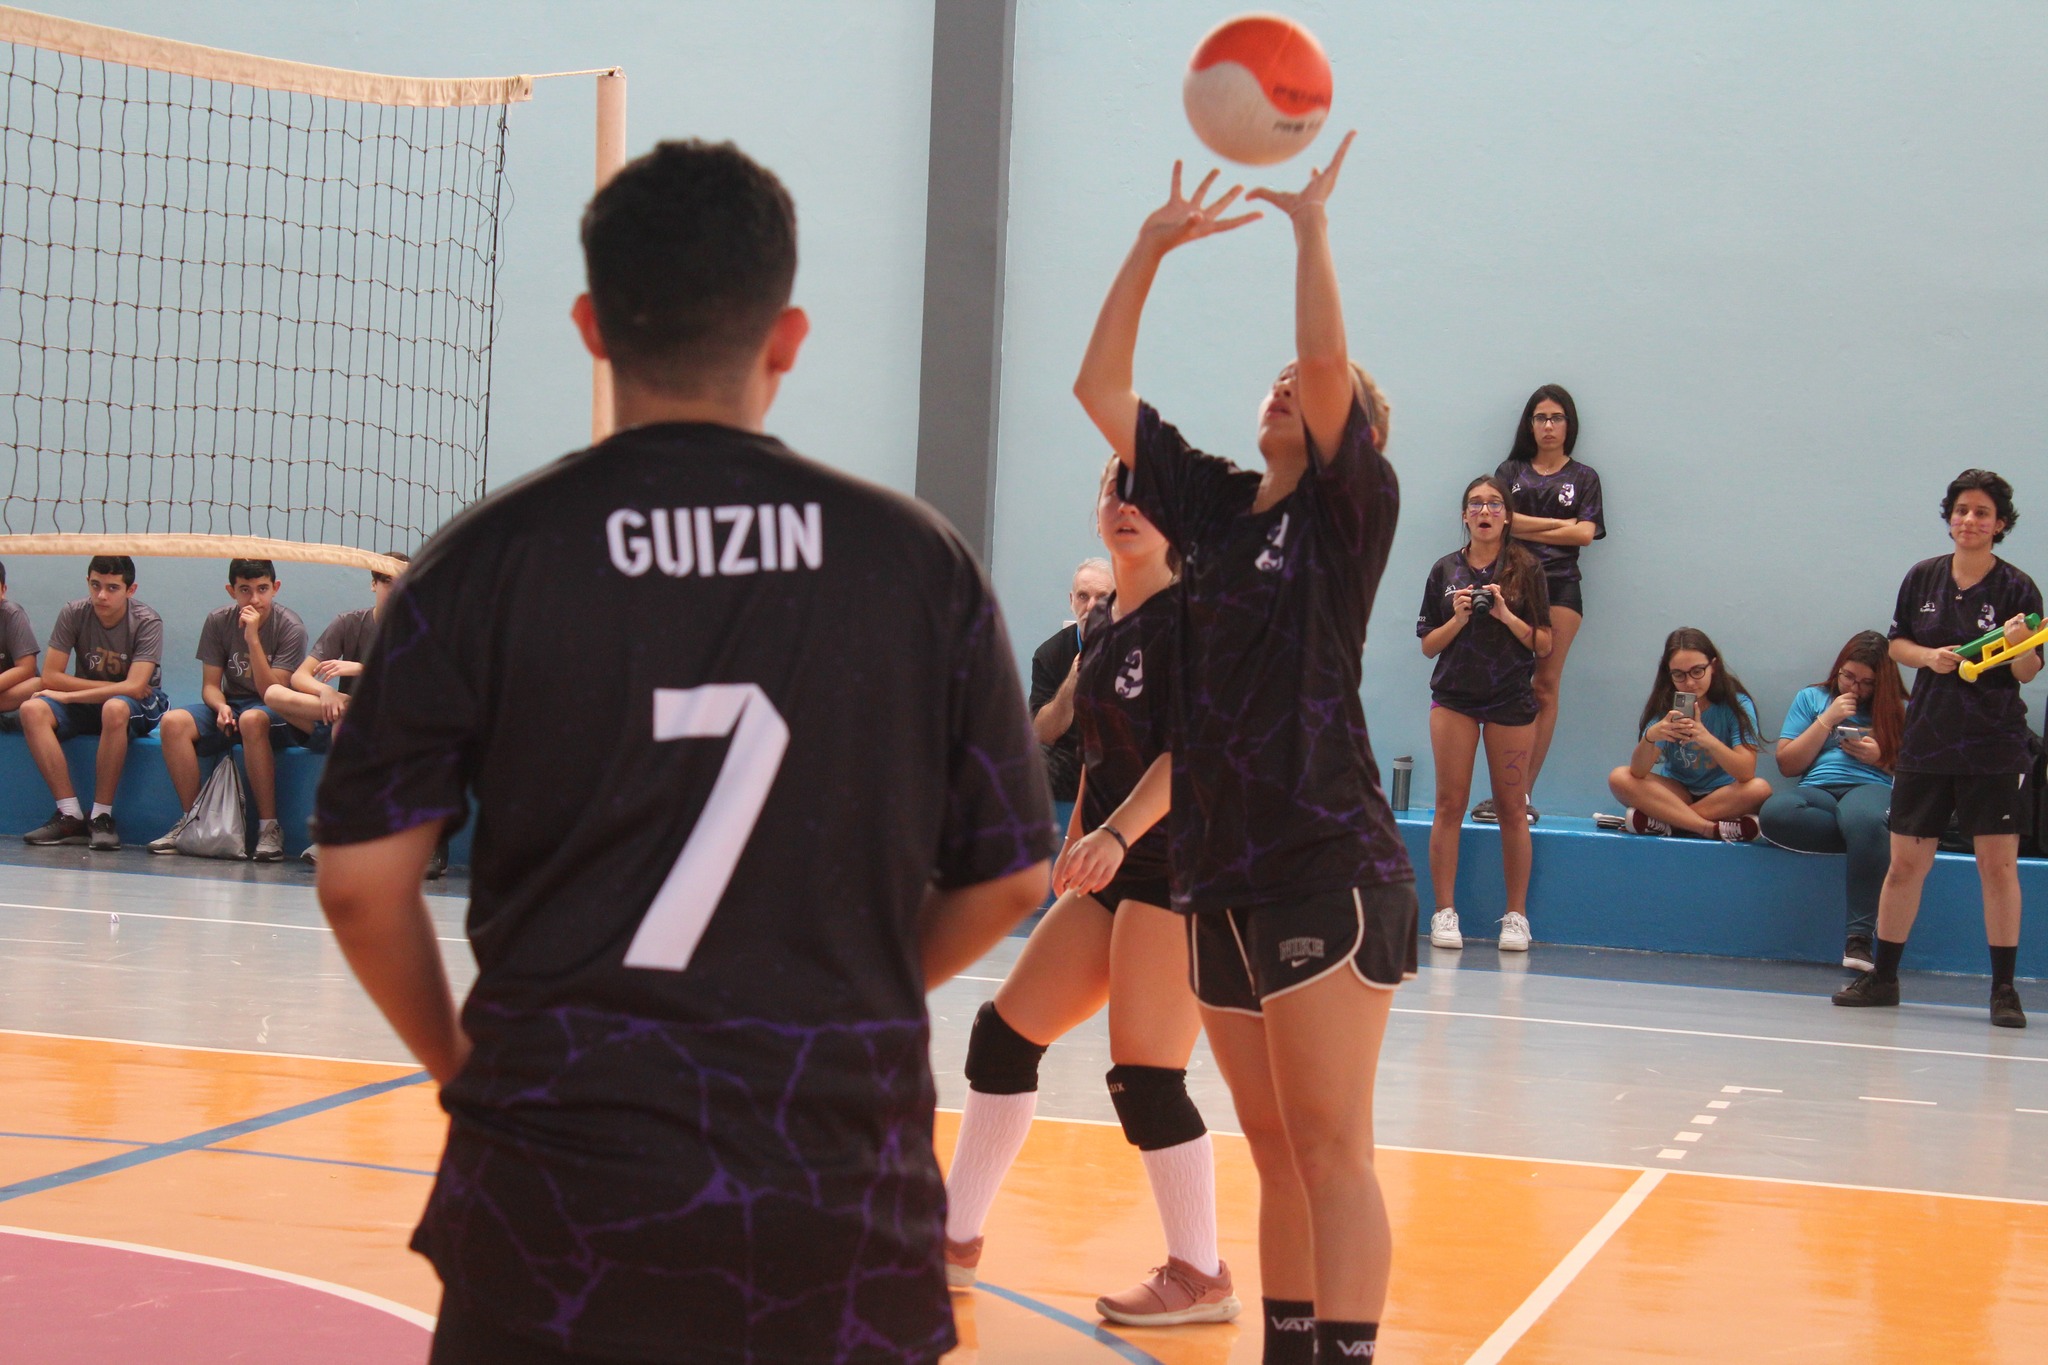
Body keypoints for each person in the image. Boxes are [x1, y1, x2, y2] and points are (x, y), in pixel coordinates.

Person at [312, 140, 1055, 1365]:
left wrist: (465, 1066)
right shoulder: (914, 562)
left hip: (557, 1193)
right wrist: (844, 995)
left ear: (590, 325)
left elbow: (357, 885)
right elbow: (1012, 877)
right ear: (789, 335)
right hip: (829, 1194)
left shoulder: (484, 561)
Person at [1074, 133, 1414, 1365]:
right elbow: (1097, 388)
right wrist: (1148, 246)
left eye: (1305, 391)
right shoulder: (1215, 510)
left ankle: (1347, 1353)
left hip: (1326, 856)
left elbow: (1326, 359)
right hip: (1218, 869)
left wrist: (1308, 228)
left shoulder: (1343, 514)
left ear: (1349, 436)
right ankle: (1285, 1346)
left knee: (1331, 1143)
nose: (1284, 387)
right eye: (1267, 380)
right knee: (1271, 1146)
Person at [945, 464, 1233, 1326]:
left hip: (1185, 867)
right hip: (1112, 860)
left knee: (1145, 1074)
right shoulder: (1102, 622)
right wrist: (1079, 832)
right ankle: (951, 1239)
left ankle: (1201, 1271)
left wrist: (1116, 835)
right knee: (1001, 1039)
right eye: (1115, 492)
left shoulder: (1201, 620)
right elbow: (1097, 749)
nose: (1127, 508)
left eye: (1147, 496)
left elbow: (1197, 755)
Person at [1835, 469, 2041, 1028]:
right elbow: (1897, 643)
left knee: (1997, 868)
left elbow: (2025, 670)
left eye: (1981, 513)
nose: (1969, 521)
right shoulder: (1921, 578)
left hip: (1994, 747)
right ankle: (1884, 976)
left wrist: (2019, 644)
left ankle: (2003, 989)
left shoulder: (2018, 589)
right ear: (1950, 517)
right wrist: (1928, 657)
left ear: (2000, 525)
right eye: (1961, 510)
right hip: (1928, 741)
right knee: (1905, 865)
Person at [1417, 476, 1552, 952]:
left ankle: (1515, 916)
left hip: (1510, 700)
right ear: (1464, 515)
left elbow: (1544, 642)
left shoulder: (1526, 569)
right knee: (1449, 804)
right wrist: (1455, 619)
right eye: (1476, 503)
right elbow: (1428, 646)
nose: (1485, 511)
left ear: (1507, 516)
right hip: (1454, 697)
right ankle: (1443, 912)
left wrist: (1504, 615)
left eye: (1495, 504)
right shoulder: (1444, 571)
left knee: (1513, 809)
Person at [267, 558, 431, 872]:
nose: (394, 589)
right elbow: (300, 677)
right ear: (374, 583)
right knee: (275, 695)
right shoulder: (349, 622)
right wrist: (327, 692)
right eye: (387, 581)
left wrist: (361, 669)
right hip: (340, 712)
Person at [1491, 384, 1605, 822]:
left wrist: (1526, 526)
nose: (1549, 426)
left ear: (1569, 424)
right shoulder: (1511, 470)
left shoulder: (1584, 477)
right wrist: (1560, 524)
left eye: (1557, 418)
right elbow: (1500, 521)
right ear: (1530, 424)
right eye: (1541, 418)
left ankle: (1521, 795)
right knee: (1509, 686)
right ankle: (1501, 790)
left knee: (1544, 685)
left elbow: (1585, 535)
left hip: (1560, 587)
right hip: (1510, 586)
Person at [1759, 631, 1904, 971]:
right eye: (1848, 677)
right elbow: (1788, 763)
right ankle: (1866, 842)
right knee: (1775, 813)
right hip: (1817, 790)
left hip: (1870, 788)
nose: (1855, 689)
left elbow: (1920, 770)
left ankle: (1859, 939)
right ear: (1837, 669)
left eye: (1867, 683)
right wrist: (1827, 720)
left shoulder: (1900, 709)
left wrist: (1880, 757)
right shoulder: (1812, 698)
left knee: (1865, 820)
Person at [150, 559, 309, 862]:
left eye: (262, 589)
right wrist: (221, 706)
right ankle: (192, 822)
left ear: (275, 589)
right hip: (232, 704)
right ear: (231, 591)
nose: (254, 599)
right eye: (245, 590)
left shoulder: (291, 627)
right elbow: (210, 685)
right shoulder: (218, 621)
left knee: (251, 719)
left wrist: (252, 639)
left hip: (275, 709)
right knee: (173, 723)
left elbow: (273, 692)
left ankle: (269, 829)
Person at [16, 556, 170, 850]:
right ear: (88, 581)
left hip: (141, 704)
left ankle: (101, 816)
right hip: (92, 701)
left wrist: (69, 694)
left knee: (114, 707)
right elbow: (50, 675)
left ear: (131, 589)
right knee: (31, 709)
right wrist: (114, 688)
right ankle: (69, 813)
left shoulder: (148, 621)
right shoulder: (73, 613)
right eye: (95, 585)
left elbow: (137, 687)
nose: (101, 595)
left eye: (112, 588)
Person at [1608, 627, 1770, 841]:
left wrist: (1706, 739)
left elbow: (1745, 772)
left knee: (1759, 789)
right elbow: (1638, 772)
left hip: (1721, 795)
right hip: (1676, 793)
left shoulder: (1736, 704)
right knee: (1619, 777)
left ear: (1713, 666)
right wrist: (1652, 737)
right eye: (1679, 675)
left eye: (1697, 671)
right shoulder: (1666, 706)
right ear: (1669, 674)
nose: (1690, 682)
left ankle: (1668, 824)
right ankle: (1708, 828)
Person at [1029, 558, 1114, 815]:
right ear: (1071, 601)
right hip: (1072, 758)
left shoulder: (1137, 644)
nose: (1091, 606)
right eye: (1083, 596)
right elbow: (1042, 733)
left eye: (1102, 596)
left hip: (1120, 756)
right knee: (1032, 761)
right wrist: (1074, 677)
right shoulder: (1050, 654)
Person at [0, 559, 41, 722]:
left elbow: (26, 669)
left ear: (4, 590)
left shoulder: (12, 615)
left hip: (12, 691)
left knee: (39, 684)